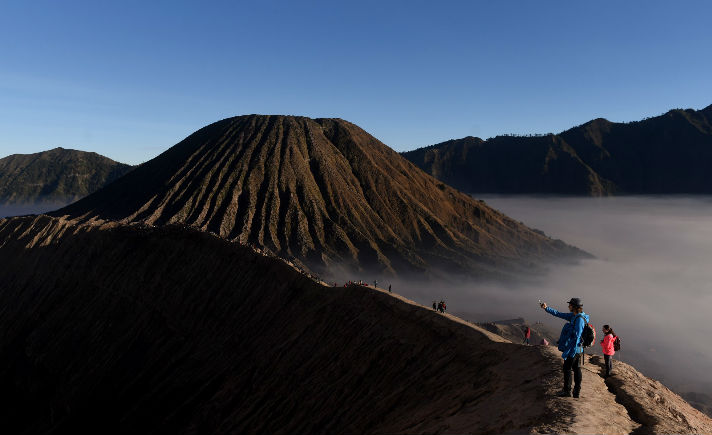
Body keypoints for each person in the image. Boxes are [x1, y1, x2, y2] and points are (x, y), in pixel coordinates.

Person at [540, 298, 589, 398]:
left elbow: (577, 336)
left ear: (574, 306)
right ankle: (576, 392)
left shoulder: (579, 319)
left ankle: (567, 391)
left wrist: (570, 350)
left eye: (570, 305)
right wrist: (546, 308)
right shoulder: (574, 316)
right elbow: (559, 314)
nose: (568, 306)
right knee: (576, 368)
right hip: (577, 349)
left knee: (567, 368)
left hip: (575, 349)